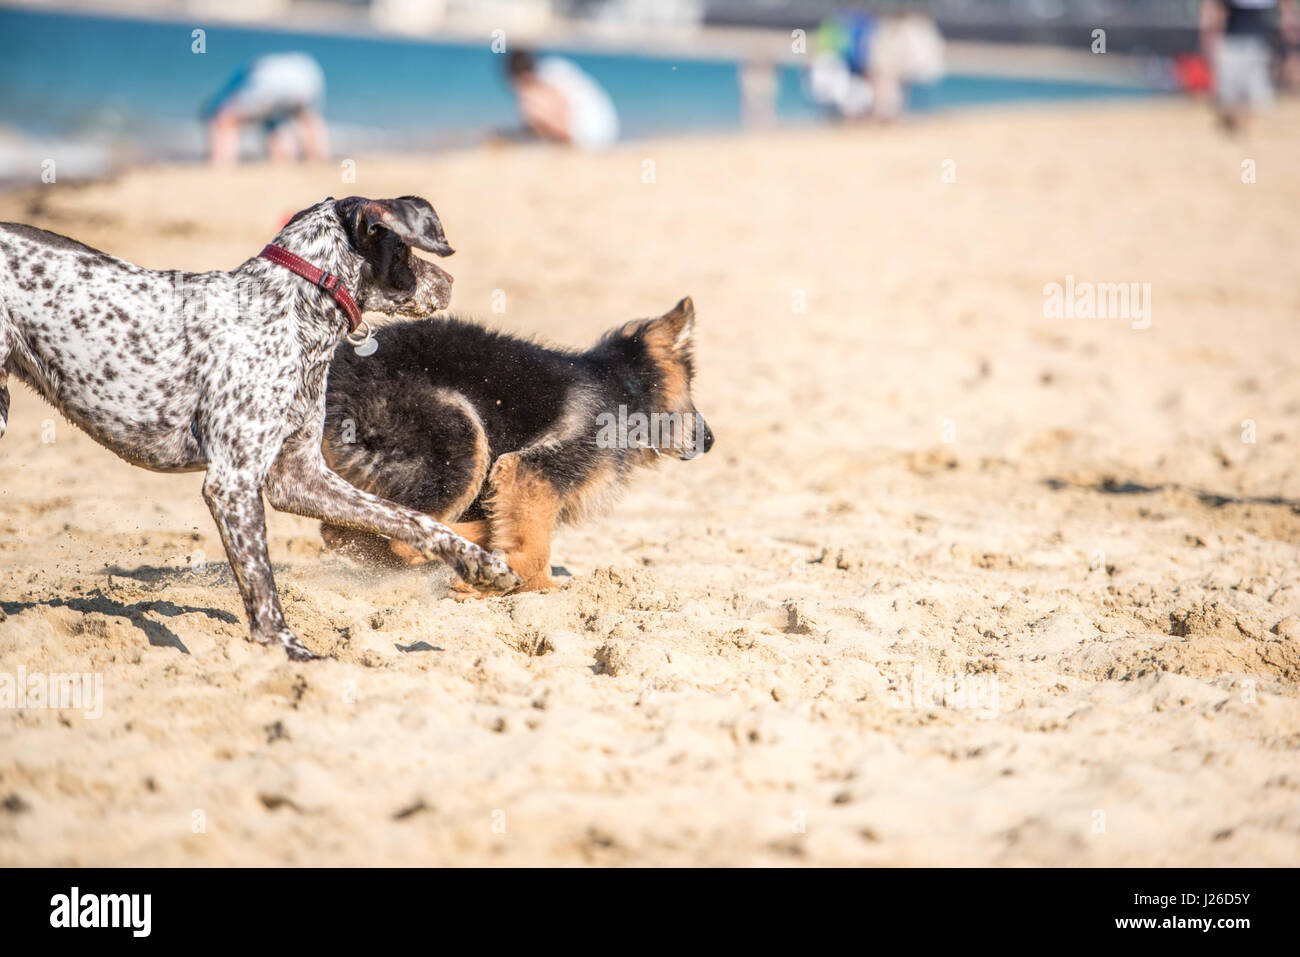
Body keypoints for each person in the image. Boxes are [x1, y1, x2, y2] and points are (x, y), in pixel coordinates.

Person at [203, 52, 329, 164]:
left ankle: (222, 164)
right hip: (306, 70)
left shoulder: (227, 94)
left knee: (225, 120)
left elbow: (221, 115)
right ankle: (315, 162)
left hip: (268, 77)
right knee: (307, 120)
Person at [1200, 0, 1300, 132]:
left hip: (1257, 46)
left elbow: (1287, 12)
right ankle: (1236, 126)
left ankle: (1247, 127)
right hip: (1233, 45)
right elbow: (1213, 13)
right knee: (1229, 101)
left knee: (1261, 103)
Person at [504, 49, 619, 149]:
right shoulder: (553, 67)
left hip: (588, 137)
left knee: (531, 109)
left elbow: (560, 113)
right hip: (606, 131)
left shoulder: (541, 80)